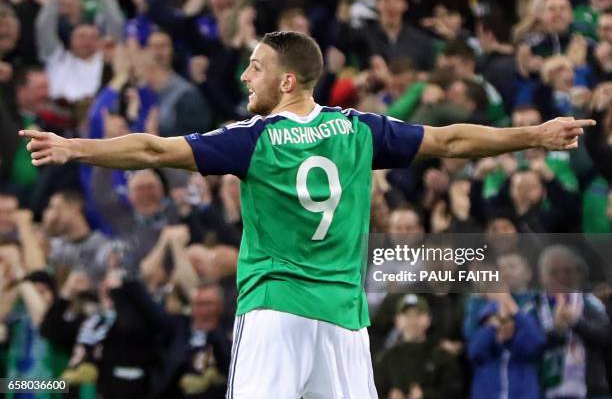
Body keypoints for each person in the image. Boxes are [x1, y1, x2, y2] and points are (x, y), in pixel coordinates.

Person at [20, 31, 595, 398]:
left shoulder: (256, 139)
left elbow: (152, 150)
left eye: (255, 67)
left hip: (276, 310)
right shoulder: (357, 129)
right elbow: (449, 140)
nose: (245, 78)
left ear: (286, 80)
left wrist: (77, 148)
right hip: (344, 319)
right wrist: (532, 135)